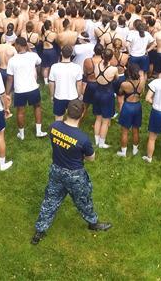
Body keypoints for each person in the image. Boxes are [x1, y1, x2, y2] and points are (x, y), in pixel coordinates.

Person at [30, 99, 111, 245]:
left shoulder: (54, 127)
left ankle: (40, 231)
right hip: (75, 175)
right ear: (82, 114)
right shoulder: (83, 139)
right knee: (83, 200)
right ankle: (93, 223)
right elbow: (91, 158)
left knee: (50, 200)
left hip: (56, 170)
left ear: (67, 111)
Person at [5, 38, 45, 141]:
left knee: (20, 111)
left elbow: (10, 78)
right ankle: (39, 131)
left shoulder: (12, 60)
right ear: (26, 45)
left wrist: (7, 93)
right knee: (37, 107)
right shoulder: (33, 56)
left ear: (18, 45)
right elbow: (39, 62)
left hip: (19, 90)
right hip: (33, 87)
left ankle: (21, 134)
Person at [116, 64, 145, 158]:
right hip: (137, 106)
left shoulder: (124, 84)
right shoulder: (142, 81)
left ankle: (123, 152)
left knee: (124, 131)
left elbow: (120, 92)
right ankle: (135, 150)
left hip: (128, 106)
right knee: (136, 129)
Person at [47, 45, 83, 122]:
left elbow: (51, 83)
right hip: (73, 96)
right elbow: (79, 84)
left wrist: (52, 96)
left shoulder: (54, 67)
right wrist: (79, 95)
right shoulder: (77, 67)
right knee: (72, 119)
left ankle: (58, 133)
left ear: (61, 53)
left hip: (59, 96)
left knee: (58, 119)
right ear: (71, 54)